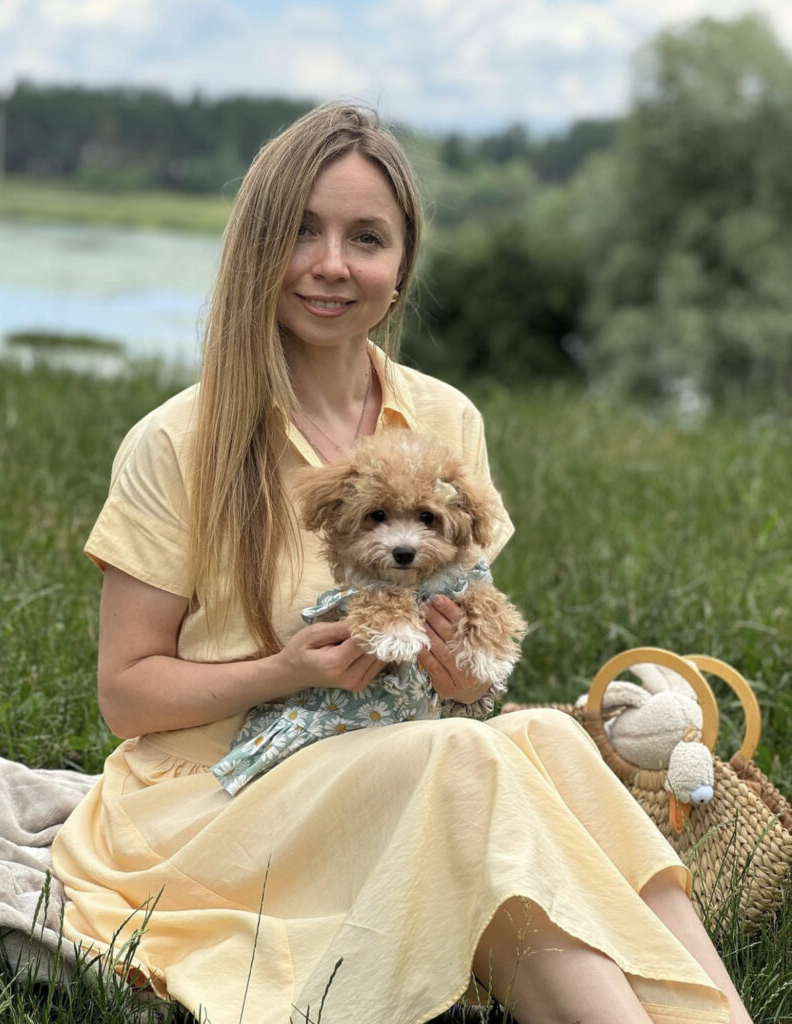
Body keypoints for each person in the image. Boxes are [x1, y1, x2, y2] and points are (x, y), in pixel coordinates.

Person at [51, 104, 753, 1024]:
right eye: (301, 230)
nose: (331, 263)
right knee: (464, 760)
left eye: (365, 238)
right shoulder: (176, 440)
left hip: (401, 764)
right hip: (214, 802)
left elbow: (467, 682)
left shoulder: (445, 419)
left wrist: (458, 667)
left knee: (538, 740)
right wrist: (283, 670)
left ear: (400, 266)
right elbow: (126, 694)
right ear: (255, 246)